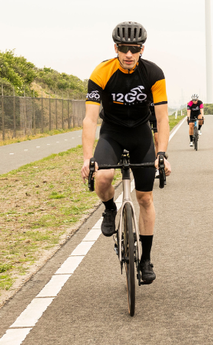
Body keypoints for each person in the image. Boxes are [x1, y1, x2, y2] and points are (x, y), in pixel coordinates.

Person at [80, 21, 171, 284]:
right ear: (116, 48)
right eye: (123, 48)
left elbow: (162, 119)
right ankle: (110, 208)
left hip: (141, 134)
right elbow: (90, 119)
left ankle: (146, 259)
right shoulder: (102, 72)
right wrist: (88, 158)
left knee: (145, 198)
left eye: (134, 49)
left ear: (142, 49)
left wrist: (162, 153)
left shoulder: (153, 73)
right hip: (113, 133)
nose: (128, 54)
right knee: (104, 176)